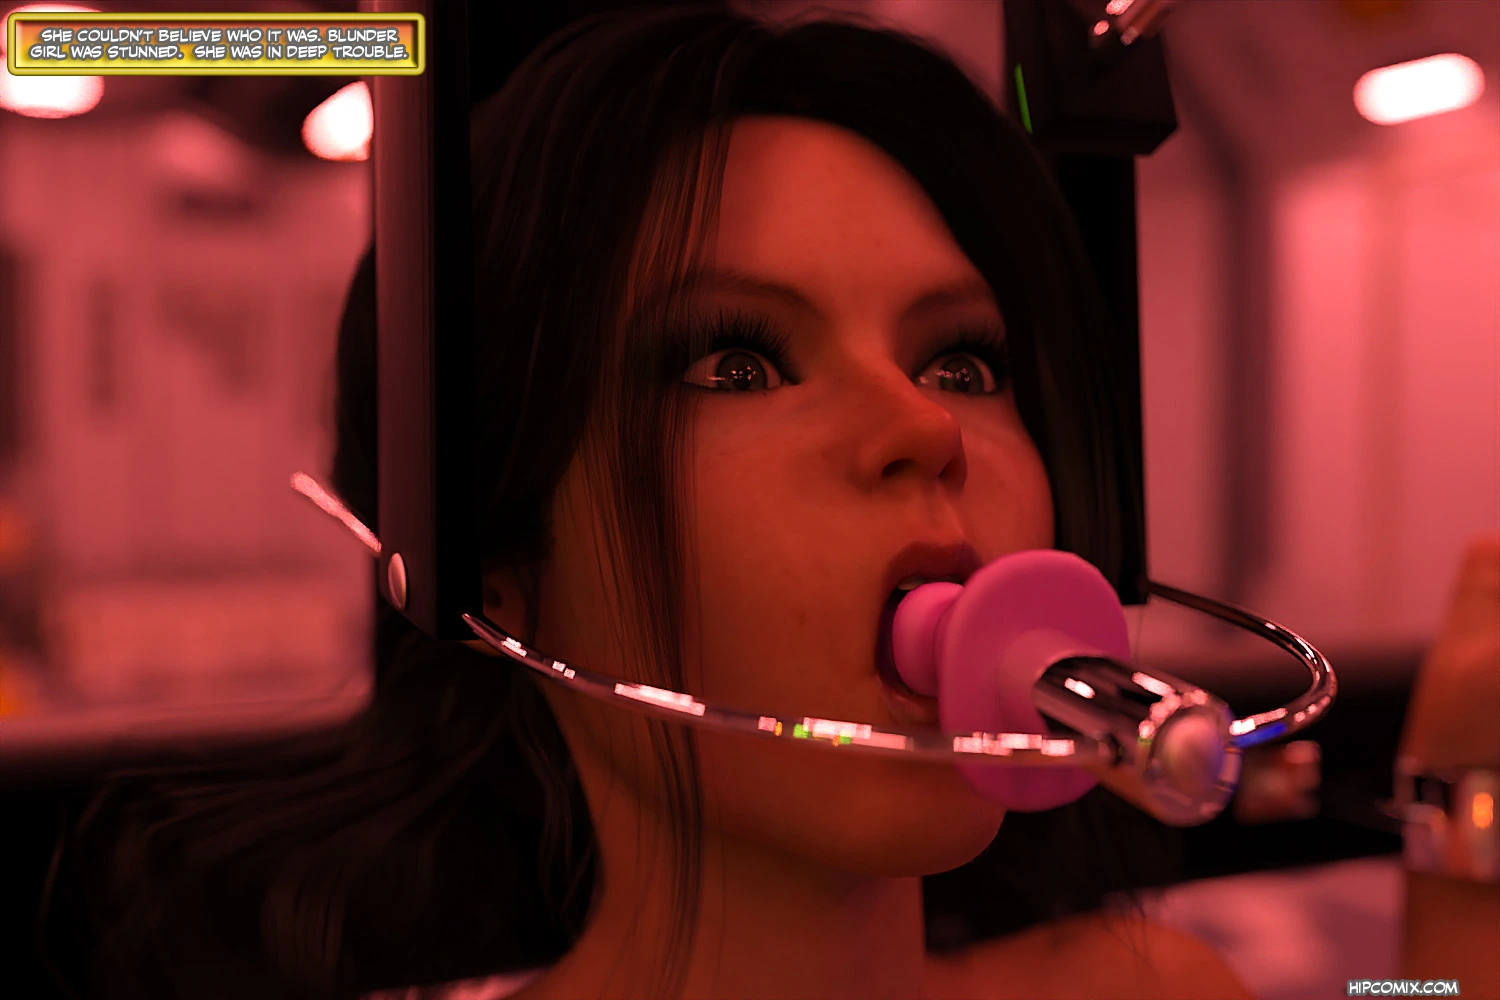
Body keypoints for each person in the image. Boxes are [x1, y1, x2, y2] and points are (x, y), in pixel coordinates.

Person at [45, 8, 1496, 1000]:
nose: (925, 426)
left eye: (962, 360)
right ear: (496, 563)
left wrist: (1463, 851)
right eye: (737, 362)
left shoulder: (1155, 985)